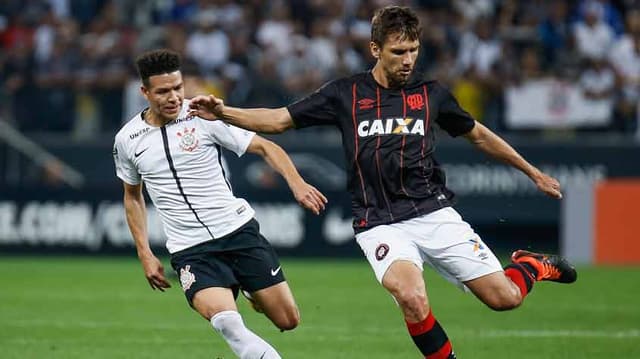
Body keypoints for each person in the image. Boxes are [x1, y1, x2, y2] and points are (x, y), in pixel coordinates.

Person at [188, 6, 578, 359]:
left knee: (505, 300)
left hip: (433, 212)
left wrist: (532, 171)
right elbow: (278, 120)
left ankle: (530, 265)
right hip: (378, 221)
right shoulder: (346, 93)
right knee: (411, 296)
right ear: (375, 49)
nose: (408, 60)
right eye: (398, 52)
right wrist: (224, 112)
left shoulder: (432, 95)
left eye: (413, 50)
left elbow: (478, 135)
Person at [112, 49, 327, 359]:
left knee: (288, 320)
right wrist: (144, 253)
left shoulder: (204, 116)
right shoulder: (127, 140)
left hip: (237, 232)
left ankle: (252, 289)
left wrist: (297, 183)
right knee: (228, 323)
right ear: (144, 92)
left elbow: (266, 147)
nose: (173, 97)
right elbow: (132, 196)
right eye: (163, 91)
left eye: (178, 88)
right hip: (191, 249)